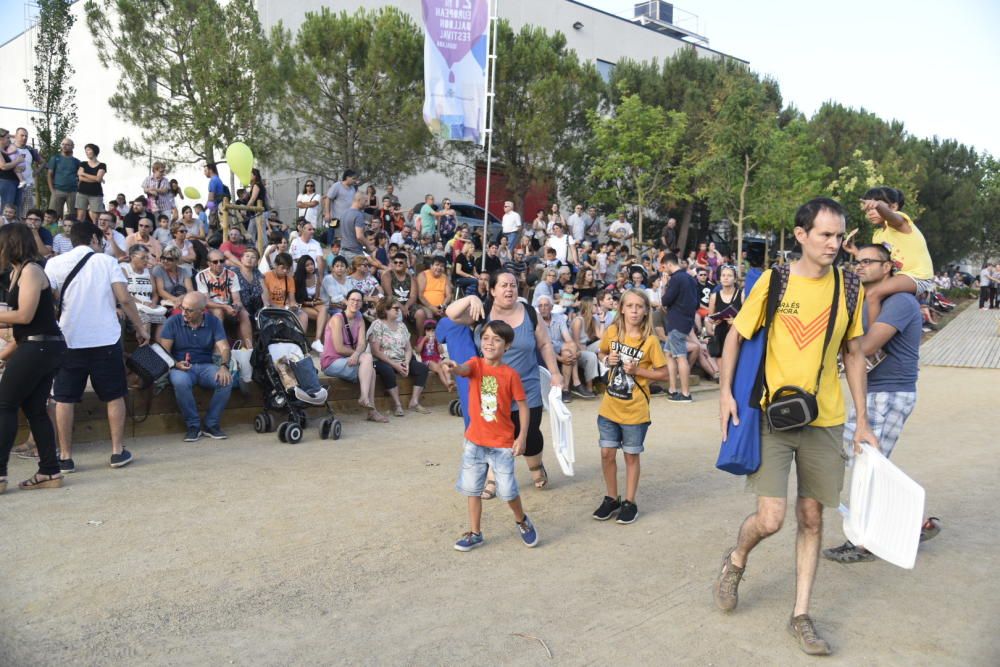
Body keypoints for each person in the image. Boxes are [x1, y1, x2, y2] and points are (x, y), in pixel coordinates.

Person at [714, 198, 876, 657]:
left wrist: (862, 419)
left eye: (840, 235)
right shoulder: (774, 280)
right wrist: (726, 394)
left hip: (825, 419)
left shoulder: (849, 287)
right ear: (801, 235)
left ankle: (801, 614)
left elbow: (854, 354)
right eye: (825, 234)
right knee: (771, 518)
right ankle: (736, 559)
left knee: (811, 516)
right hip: (773, 416)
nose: (834, 244)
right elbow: (735, 337)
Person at [823, 244, 939, 563]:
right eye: (856, 262)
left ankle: (864, 542)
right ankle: (912, 522)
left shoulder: (899, 301)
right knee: (866, 462)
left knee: (867, 466)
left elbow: (868, 345)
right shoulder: (865, 299)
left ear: (888, 267)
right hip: (873, 392)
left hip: (889, 392)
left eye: (868, 262)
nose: (860, 267)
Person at [447, 272, 564, 493]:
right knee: (494, 433)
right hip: (491, 387)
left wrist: (555, 373)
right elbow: (451, 314)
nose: (509, 290)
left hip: (526, 384)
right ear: (492, 290)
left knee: (529, 432)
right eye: (503, 285)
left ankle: (536, 466)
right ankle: (492, 477)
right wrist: (471, 299)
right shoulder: (481, 313)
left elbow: (545, 344)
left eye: (513, 285)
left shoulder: (530, 313)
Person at [46, 221, 148, 473]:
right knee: (114, 395)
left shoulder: (55, 263)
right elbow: (124, 298)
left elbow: (50, 300)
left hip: (70, 338)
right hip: (105, 338)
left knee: (64, 398)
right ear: (94, 238)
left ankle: (66, 456)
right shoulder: (106, 262)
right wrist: (140, 326)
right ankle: (116, 451)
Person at [442, 320, 538, 551]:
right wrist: (454, 367)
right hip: (475, 441)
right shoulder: (476, 364)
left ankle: (521, 520)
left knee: (507, 491)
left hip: (502, 443)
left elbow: (523, 407)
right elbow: (463, 369)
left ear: (507, 346)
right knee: (472, 489)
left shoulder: (510, 375)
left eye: (496, 339)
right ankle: (475, 532)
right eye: (486, 338)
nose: (490, 343)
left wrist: (522, 436)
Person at [0, 223, 67, 492]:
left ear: (11, 244)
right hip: (40, 346)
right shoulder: (19, 272)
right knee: (35, 409)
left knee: (4, 404)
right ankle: (50, 471)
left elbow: (24, 316)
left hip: (40, 348)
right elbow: (26, 328)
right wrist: (6, 355)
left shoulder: (30, 270)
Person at [592, 288, 668, 524]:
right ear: (621, 309)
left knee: (631, 456)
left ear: (646, 311)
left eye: (639, 306)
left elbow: (664, 373)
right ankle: (611, 497)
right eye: (630, 306)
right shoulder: (613, 331)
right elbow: (601, 351)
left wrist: (638, 370)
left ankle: (630, 501)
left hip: (635, 409)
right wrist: (606, 359)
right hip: (609, 406)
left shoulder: (651, 341)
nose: (634, 311)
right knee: (606, 453)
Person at [846, 187, 935, 325]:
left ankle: (873, 338)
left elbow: (892, 217)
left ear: (894, 206)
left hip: (917, 276)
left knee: (874, 293)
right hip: (897, 276)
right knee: (860, 290)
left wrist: (879, 206)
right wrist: (856, 252)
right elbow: (879, 261)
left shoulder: (900, 223)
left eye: (875, 207)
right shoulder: (878, 235)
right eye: (868, 209)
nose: (871, 212)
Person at [159, 292, 233, 442]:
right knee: (180, 382)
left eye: (189, 310)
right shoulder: (172, 321)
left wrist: (224, 366)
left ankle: (211, 424)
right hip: (180, 366)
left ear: (202, 310)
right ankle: (193, 425)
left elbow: (224, 348)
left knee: (226, 380)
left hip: (206, 365)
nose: (184, 313)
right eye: (182, 308)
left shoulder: (213, 322)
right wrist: (175, 364)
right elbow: (163, 351)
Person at [321, 289, 386, 423]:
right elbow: (338, 347)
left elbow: (362, 343)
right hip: (332, 361)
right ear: (347, 301)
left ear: (362, 303)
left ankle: (370, 408)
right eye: (352, 300)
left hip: (349, 359)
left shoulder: (359, 318)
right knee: (367, 358)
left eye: (358, 300)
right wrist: (357, 354)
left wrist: (357, 354)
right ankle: (366, 401)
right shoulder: (337, 319)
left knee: (371, 370)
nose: (355, 303)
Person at [368, 298, 430, 416]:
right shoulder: (377, 325)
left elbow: (408, 348)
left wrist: (406, 363)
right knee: (387, 371)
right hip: (384, 360)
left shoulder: (401, 325)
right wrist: (395, 365)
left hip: (402, 358)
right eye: (395, 309)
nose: (399, 311)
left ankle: (414, 401)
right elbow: (375, 351)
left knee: (422, 368)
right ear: (385, 310)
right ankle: (397, 404)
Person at [659, 253, 699, 402]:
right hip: (686, 321)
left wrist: (663, 285)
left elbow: (664, 300)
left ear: (669, 264)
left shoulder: (676, 279)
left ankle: (685, 394)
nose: (664, 270)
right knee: (668, 353)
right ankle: (672, 389)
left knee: (680, 357)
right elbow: (697, 303)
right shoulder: (689, 277)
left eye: (664, 266)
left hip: (676, 322)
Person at [196, 249, 253, 348]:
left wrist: (236, 307)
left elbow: (237, 299)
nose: (219, 264)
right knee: (218, 311)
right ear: (209, 263)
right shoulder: (201, 276)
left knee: (243, 313)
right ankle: (221, 348)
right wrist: (225, 307)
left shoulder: (231, 275)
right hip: (210, 308)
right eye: (215, 262)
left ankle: (249, 349)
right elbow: (206, 301)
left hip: (227, 306)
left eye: (221, 261)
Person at [122, 244, 166, 337]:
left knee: (163, 320)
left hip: (147, 307)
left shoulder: (148, 272)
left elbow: (154, 294)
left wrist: (153, 303)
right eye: (143, 258)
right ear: (133, 257)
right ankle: (145, 350)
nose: (146, 260)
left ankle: (160, 349)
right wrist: (142, 302)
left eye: (147, 257)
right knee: (146, 319)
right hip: (132, 307)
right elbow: (123, 294)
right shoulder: (124, 270)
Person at [262, 252, 309, 331]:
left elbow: (292, 299)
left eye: (287, 269)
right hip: (270, 308)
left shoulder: (289, 280)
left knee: (303, 315)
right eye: (283, 268)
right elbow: (266, 300)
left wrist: (293, 306)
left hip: (285, 309)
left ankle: (300, 339)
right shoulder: (266, 276)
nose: (285, 271)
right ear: (275, 265)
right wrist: (281, 308)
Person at [705, 265, 741, 364]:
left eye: (729, 275)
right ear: (720, 278)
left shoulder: (741, 295)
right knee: (722, 370)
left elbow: (747, 316)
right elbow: (709, 318)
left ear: (735, 279)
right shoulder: (714, 296)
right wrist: (713, 321)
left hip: (736, 334)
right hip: (720, 333)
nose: (726, 278)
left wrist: (736, 321)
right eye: (723, 275)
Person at [294, 255, 329, 353]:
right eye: (307, 265)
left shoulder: (316, 277)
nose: (310, 267)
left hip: (312, 304)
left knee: (324, 310)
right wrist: (312, 302)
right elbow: (298, 300)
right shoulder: (297, 279)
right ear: (302, 267)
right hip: (301, 305)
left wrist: (318, 301)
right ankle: (321, 344)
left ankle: (318, 341)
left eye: (312, 264)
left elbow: (316, 296)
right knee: (326, 316)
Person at [45, 137, 80, 218]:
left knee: (72, 216)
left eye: (67, 145)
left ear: (72, 146)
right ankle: (54, 231)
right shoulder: (55, 158)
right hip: (58, 191)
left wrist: (78, 189)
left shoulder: (76, 161)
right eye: (63, 144)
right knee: (53, 216)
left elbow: (80, 177)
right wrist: (52, 190)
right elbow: (49, 175)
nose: (64, 146)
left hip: (73, 192)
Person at [152, 246, 194, 313]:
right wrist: (176, 300)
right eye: (163, 258)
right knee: (180, 312)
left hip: (185, 301)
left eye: (169, 259)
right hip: (168, 303)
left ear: (177, 260)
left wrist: (183, 298)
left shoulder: (184, 271)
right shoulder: (158, 269)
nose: (165, 261)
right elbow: (160, 291)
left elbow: (190, 289)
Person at [415, 255, 451, 331]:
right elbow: (420, 295)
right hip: (425, 305)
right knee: (429, 314)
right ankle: (424, 339)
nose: (439, 268)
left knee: (450, 314)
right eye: (437, 265)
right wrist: (431, 307)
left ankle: (443, 339)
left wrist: (442, 306)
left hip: (441, 306)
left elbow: (449, 295)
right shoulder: (423, 275)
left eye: (442, 266)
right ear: (431, 266)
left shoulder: (445, 277)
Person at [323, 170, 358, 243]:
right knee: (331, 236)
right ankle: (329, 250)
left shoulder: (353, 188)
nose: (355, 181)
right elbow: (328, 198)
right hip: (335, 218)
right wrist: (327, 213)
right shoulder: (337, 186)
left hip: (348, 219)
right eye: (353, 178)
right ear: (347, 177)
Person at [381, 252, 418, 321]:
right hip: (393, 304)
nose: (398, 264)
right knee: (396, 312)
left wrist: (406, 306)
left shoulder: (410, 277)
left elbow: (413, 296)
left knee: (420, 313)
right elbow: (390, 295)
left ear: (406, 264)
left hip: (408, 304)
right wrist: (402, 307)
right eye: (395, 262)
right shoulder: (387, 275)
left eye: (401, 262)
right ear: (392, 263)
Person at [75, 144, 106, 224]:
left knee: (95, 218)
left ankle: (95, 233)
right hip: (82, 192)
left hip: (96, 194)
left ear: (94, 151)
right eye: (86, 151)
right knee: (80, 216)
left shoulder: (102, 165)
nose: (87, 152)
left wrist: (84, 174)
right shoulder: (83, 164)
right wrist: (96, 178)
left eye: (89, 150)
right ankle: (80, 232)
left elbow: (98, 178)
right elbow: (80, 178)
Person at [339, 192, 374, 262]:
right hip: (354, 253)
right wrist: (369, 246)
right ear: (359, 200)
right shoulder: (358, 215)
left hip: (342, 252)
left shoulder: (344, 214)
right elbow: (359, 236)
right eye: (365, 201)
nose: (367, 204)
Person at [234, 248, 264, 318]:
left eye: (253, 257)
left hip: (256, 309)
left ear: (256, 262)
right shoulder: (234, 272)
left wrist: (266, 305)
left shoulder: (257, 272)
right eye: (247, 256)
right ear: (241, 259)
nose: (249, 259)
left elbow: (264, 290)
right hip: (239, 308)